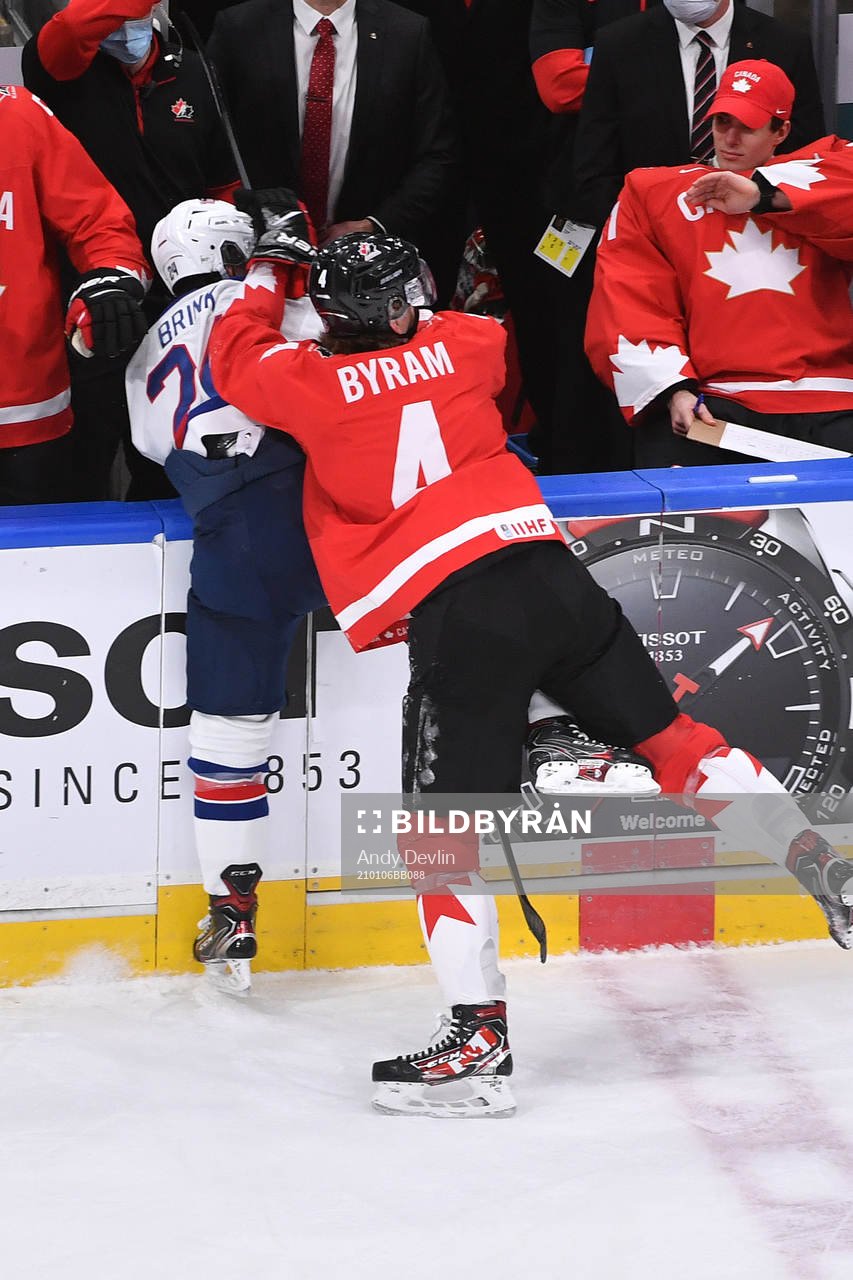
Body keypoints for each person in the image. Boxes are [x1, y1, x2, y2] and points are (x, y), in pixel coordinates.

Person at [207, 206, 853, 1115]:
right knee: (675, 738)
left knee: (440, 838)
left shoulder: (305, 383)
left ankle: (476, 1039)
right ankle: (818, 860)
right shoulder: (473, 343)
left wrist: (271, 269)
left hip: (460, 613)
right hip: (556, 577)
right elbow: (433, 338)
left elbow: (234, 352)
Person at [125, 197, 326, 993]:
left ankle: (232, 910)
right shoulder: (267, 292)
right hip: (333, 511)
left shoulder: (142, 355)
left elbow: (154, 448)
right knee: (468, 631)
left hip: (233, 544)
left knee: (229, 735)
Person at [585, 60, 853, 467]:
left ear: (781, 131)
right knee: (674, 490)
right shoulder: (655, 192)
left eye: (747, 126)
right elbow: (628, 296)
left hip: (831, 400)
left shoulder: (824, 174)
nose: (729, 138)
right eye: (722, 121)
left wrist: (763, 194)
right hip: (716, 403)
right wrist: (671, 390)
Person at [23, 0, 239, 500]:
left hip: (180, 307)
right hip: (89, 302)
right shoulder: (61, 67)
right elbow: (74, 26)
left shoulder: (193, 70)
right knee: (83, 459)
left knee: (169, 456)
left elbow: (221, 183)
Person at [206, 0, 460, 297]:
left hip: (369, 270)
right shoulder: (239, 28)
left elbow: (437, 154)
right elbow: (210, 143)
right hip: (261, 260)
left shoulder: (407, 33)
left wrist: (375, 225)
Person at [0, 83, 147, 504]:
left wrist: (109, 279)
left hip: (25, 410)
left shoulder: (17, 114)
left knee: (43, 563)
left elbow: (99, 222)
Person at [572, 0, 825, 231]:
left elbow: (807, 160)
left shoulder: (786, 45)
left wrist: (764, 209)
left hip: (756, 234)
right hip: (652, 237)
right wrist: (638, 231)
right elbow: (595, 167)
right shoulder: (619, 44)